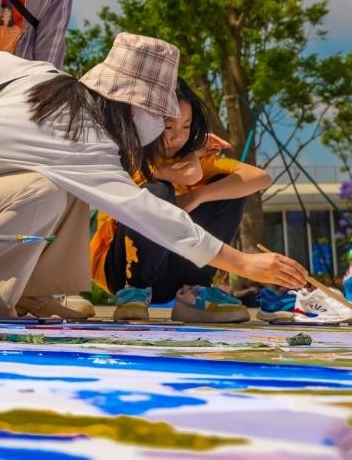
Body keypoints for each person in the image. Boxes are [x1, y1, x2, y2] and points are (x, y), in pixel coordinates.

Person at [0, 33, 307, 319]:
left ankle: (32, 290)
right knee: (44, 189)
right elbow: (154, 216)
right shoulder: (86, 141)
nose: (159, 126)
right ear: (133, 107)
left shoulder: (47, 78)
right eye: (158, 115)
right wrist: (246, 264)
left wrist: (2, 44)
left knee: (57, 186)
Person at [91, 79, 273, 322]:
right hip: (122, 269)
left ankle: (195, 292)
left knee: (227, 186)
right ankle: (134, 294)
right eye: (168, 127)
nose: (178, 137)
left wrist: (196, 195)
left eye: (186, 127)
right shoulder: (129, 155)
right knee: (158, 192)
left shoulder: (190, 157)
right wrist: (195, 156)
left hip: (172, 273)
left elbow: (260, 178)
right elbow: (188, 174)